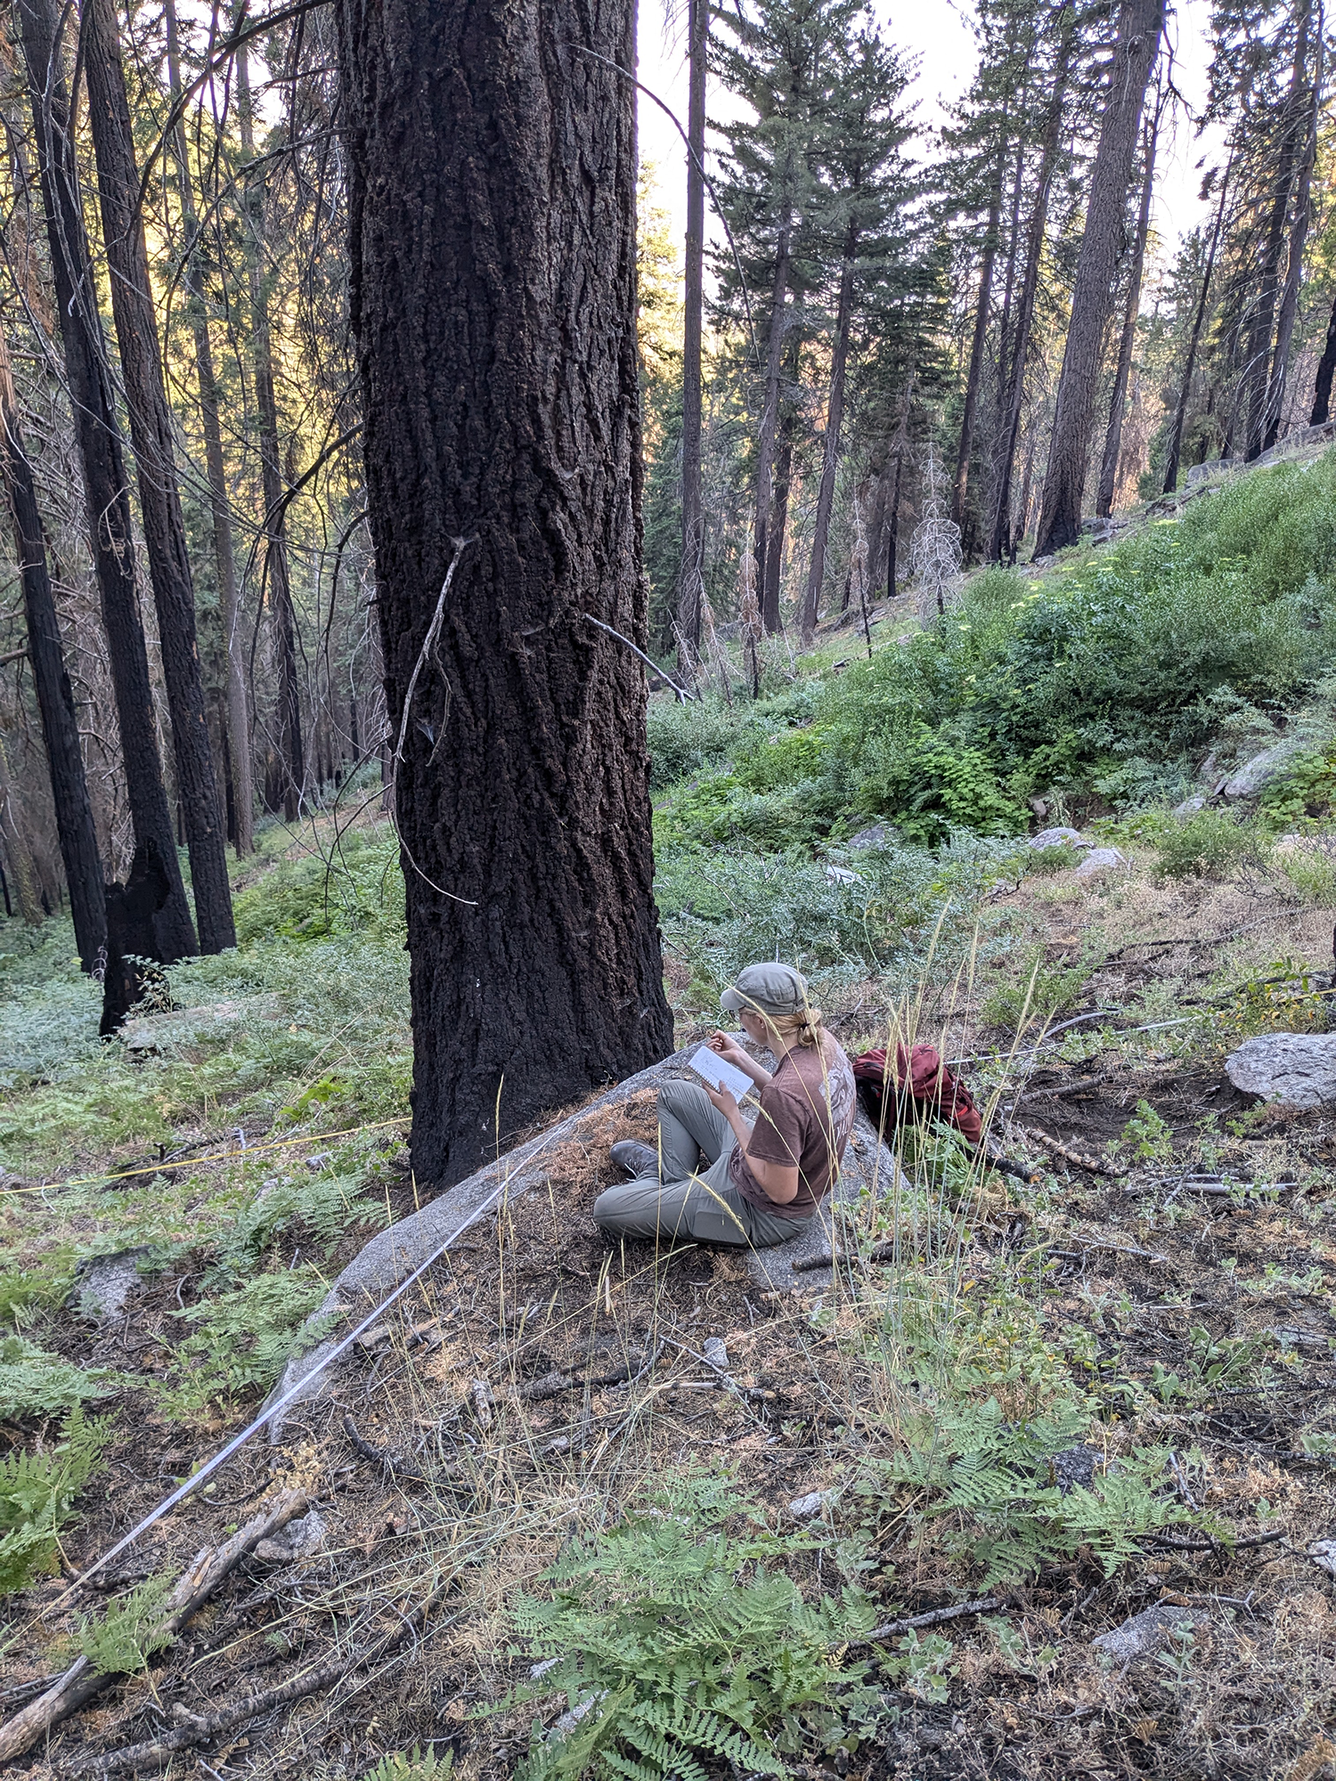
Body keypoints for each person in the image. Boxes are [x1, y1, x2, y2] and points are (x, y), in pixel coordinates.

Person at [592, 962, 856, 1248]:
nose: (738, 1019)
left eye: (740, 1013)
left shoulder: (785, 1094)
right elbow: (797, 1107)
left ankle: (656, 1180)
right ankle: (675, 1187)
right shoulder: (823, 1042)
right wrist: (742, 1058)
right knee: (674, 1093)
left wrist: (732, 1114)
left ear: (760, 1021)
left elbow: (781, 1192)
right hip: (759, 1159)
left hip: (762, 1211)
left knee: (606, 1208)